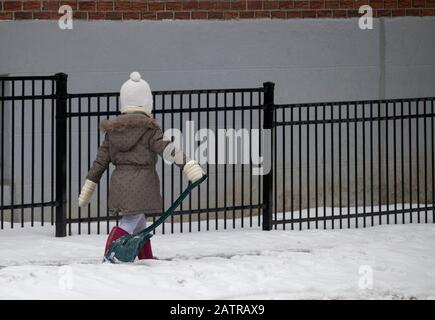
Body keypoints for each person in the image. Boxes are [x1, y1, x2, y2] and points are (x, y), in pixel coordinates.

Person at [78, 72, 203, 260]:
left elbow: (100, 162)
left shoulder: (112, 133)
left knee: (139, 222)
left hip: (119, 183)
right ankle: (111, 257)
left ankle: (146, 258)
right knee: (129, 222)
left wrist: (89, 185)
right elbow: (167, 149)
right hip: (142, 184)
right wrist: (188, 165)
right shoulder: (149, 130)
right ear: (147, 103)